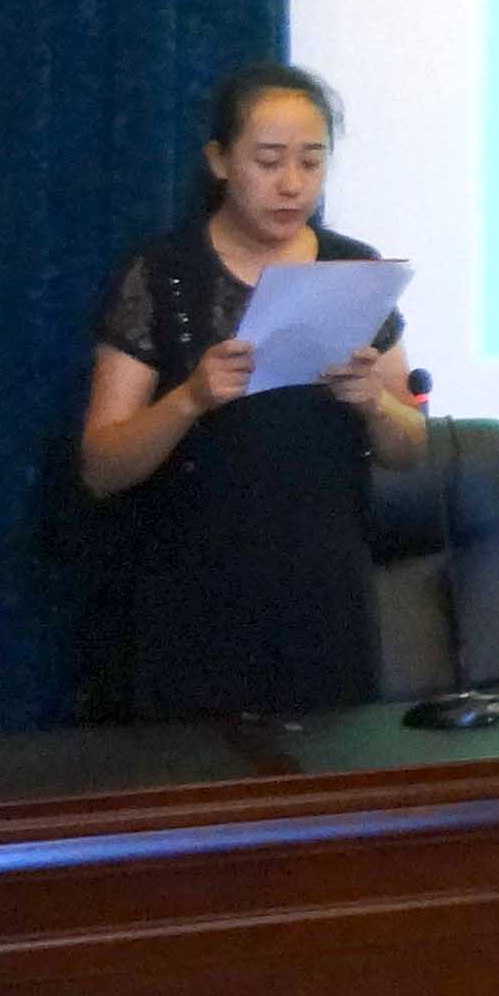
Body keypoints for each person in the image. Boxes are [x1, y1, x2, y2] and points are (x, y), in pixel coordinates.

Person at [79, 61, 427, 719]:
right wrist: (190, 399)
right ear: (219, 161)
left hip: (324, 594)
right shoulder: (163, 274)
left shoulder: (351, 267)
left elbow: (409, 446)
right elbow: (100, 467)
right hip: (191, 600)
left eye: (311, 162)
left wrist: (374, 403)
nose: (292, 184)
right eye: (268, 161)